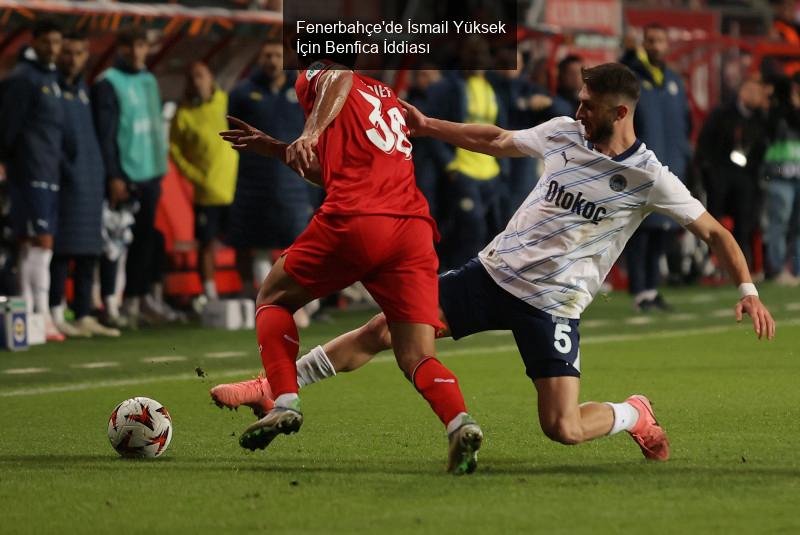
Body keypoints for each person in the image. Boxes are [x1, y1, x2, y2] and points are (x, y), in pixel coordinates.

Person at [215, 63, 775, 462]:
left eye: (588, 104)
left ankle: (634, 413)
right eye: (578, 100)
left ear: (620, 112)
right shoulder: (563, 133)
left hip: (553, 307)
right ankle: (276, 386)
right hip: (491, 274)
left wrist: (747, 288)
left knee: (562, 428)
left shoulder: (650, 176)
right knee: (385, 330)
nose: (576, 109)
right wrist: (430, 126)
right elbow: (499, 139)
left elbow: (715, 233)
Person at [213, 52, 483, 474]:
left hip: (358, 220)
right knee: (415, 354)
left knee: (273, 298)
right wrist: (278, 149)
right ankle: (458, 423)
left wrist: (309, 130)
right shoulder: (386, 95)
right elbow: (338, 171)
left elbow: (336, 77)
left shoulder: (320, 76)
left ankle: (282, 399)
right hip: (412, 230)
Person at [92, 26, 170, 327]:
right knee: (114, 242)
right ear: (120, 49)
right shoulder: (108, 83)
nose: (137, 52)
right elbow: (106, 135)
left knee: (144, 239)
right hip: (124, 174)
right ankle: (108, 302)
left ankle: (135, 301)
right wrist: (114, 175)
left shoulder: (149, 80)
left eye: (141, 46)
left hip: (151, 171)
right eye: (131, 46)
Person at [226, 41, 311, 305]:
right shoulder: (242, 92)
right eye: (267, 55)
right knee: (257, 242)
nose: (272, 60)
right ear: (259, 58)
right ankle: (264, 301)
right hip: (255, 179)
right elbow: (232, 133)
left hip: (294, 180)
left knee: (302, 242)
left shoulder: (300, 90)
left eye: (277, 55)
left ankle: (308, 302)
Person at [49, 32, 120, 338]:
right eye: (68, 52)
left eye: (79, 52)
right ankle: (54, 310)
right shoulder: (49, 86)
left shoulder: (82, 88)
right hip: (66, 179)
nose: (73, 59)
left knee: (89, 249)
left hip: (91, 178)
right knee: (63, 249)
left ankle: (83, 313)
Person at [0, 19, 65, 341]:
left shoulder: (50, 78)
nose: (53, 48)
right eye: (47, 42)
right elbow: (8, 126)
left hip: (48, 169)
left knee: (35, 244)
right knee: (39, 242)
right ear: (34, 42)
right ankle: (37, 315)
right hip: (30, 170)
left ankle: (32, 318)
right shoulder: (23, 79)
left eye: (57, 42)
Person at [622, 23, 692, 312]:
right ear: (643, 43)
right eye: (650, 40)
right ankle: (639, 292)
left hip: (671, 166)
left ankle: (652, 289)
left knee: (661, 230)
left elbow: (685, 124)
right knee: (641, 231)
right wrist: (627, 54)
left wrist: (685, 159)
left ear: (667, 44)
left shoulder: (674, 80)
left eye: (660, 40)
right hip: (641, 168)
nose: (655, 45)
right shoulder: (632, 77)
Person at [169, 62, 239, 300]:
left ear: (211, 78)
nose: (196, 81)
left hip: (234, 185)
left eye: (200, 76)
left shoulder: (226, 101)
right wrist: (196, 176)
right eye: (191, 77)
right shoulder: (183, 115)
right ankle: (210, 295)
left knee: (243, 241)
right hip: (206, 191)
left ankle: (249, 290)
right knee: (206, 243)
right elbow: (175, 151)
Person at [695, 77, 768, 269]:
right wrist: (708, 171)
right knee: (714, 217)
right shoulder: (722, 113)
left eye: (758, 93)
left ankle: (739, 263)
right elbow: (705, 142)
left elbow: (762, 148)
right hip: (720, 173)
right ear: (742, 92)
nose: (755, 96)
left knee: (744, 220)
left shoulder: (761, 119)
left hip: (746, 176)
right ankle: (711, 261)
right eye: (751, 91)